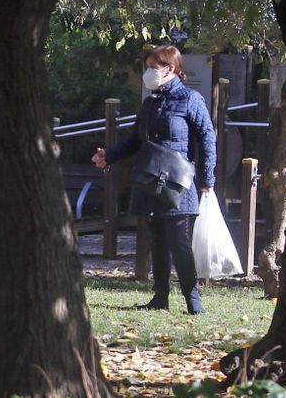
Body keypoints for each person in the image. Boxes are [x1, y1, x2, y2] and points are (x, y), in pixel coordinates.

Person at [92, 45, 216, 313]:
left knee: (180, 243)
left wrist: (208, 178)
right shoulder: (150, 102)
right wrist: (109, 155)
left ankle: (193, 299)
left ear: (170, 69)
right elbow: (136, 140)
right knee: (157, 242)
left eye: (153, 67)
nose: (149, 72)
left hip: (178, 185)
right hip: (150, 181)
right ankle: (160, 298)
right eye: (147, 66)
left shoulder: (191, 99)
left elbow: (207, 138)